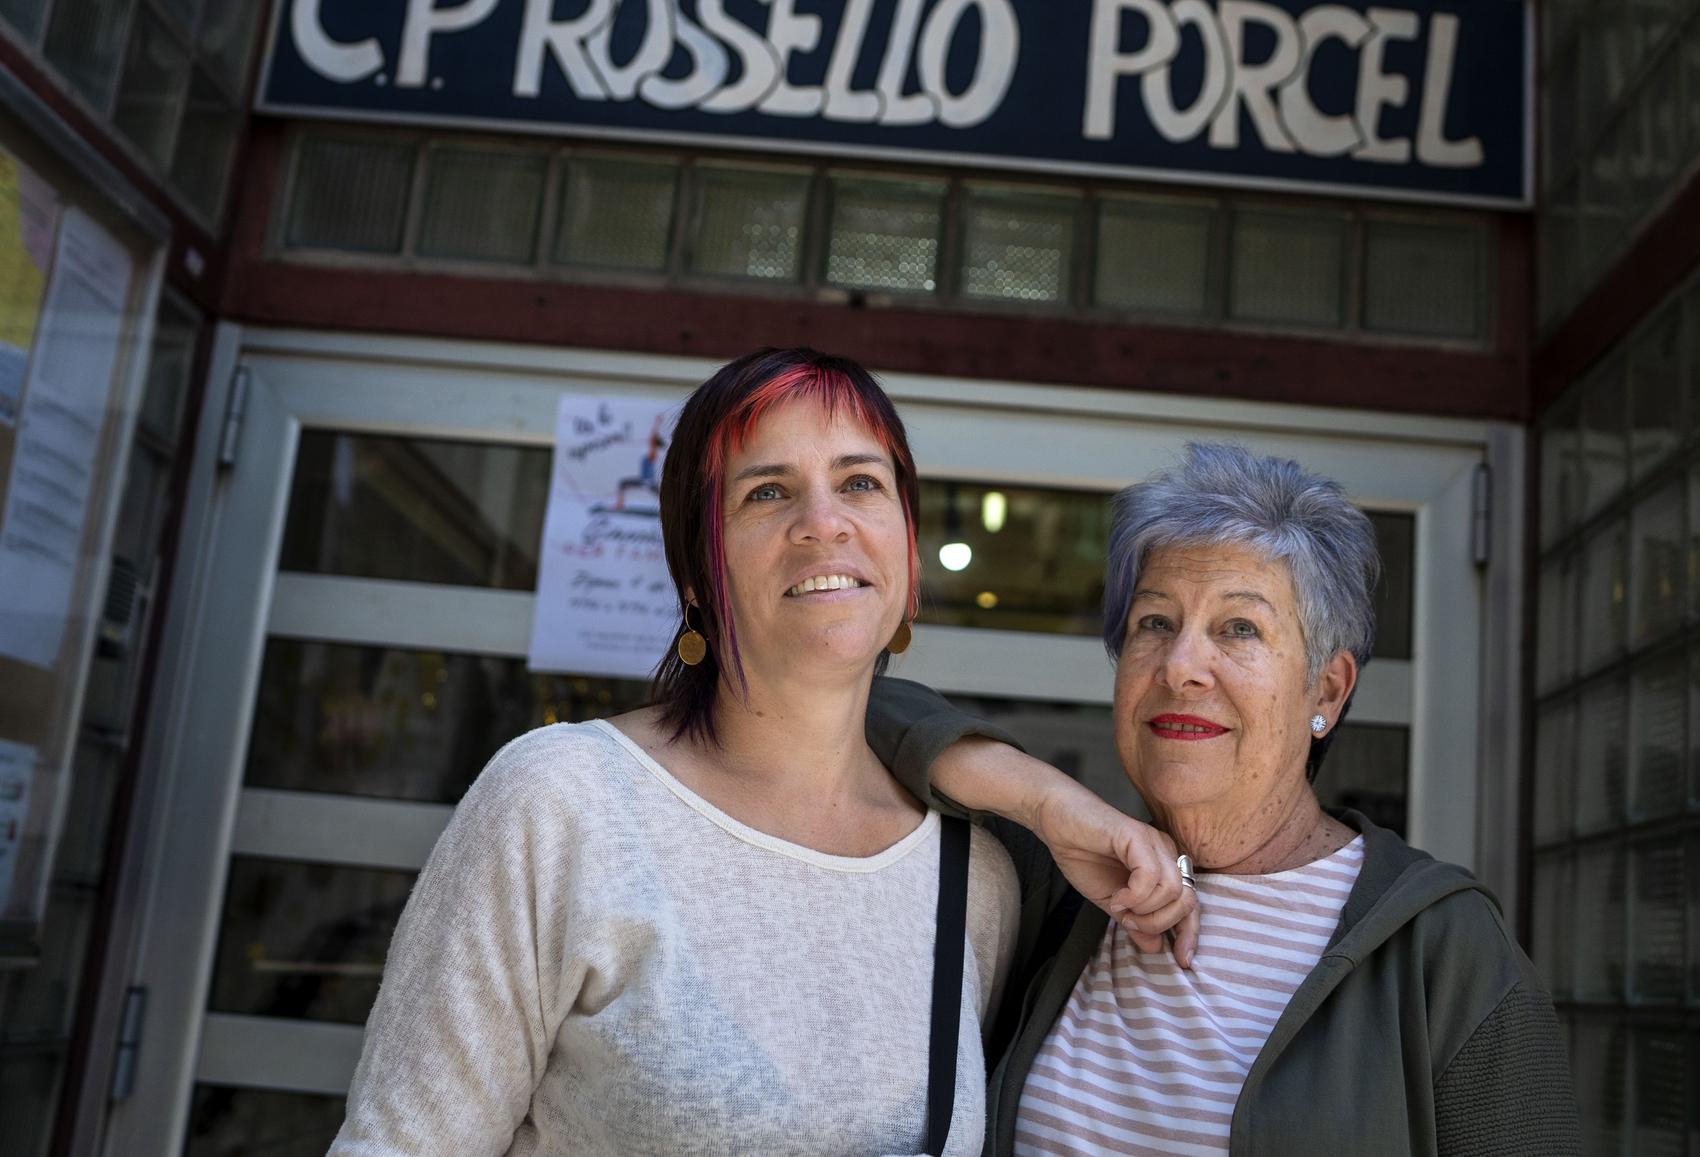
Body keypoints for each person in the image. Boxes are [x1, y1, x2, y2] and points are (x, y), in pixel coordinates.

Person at [331, 348, 1195, 1156]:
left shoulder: (978, 877)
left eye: (860, 482)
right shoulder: (561, 803)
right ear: (698, 577)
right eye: (766, 493)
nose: (824, 524)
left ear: (909, 561)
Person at [868, 442, 1580, 1156]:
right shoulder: (1064, 887)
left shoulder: (1443, 948)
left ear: (1327, 690)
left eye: (1239, 627)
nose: (1180, 666)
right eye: (1155, 623)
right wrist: (1048, 799)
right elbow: (849, 705)